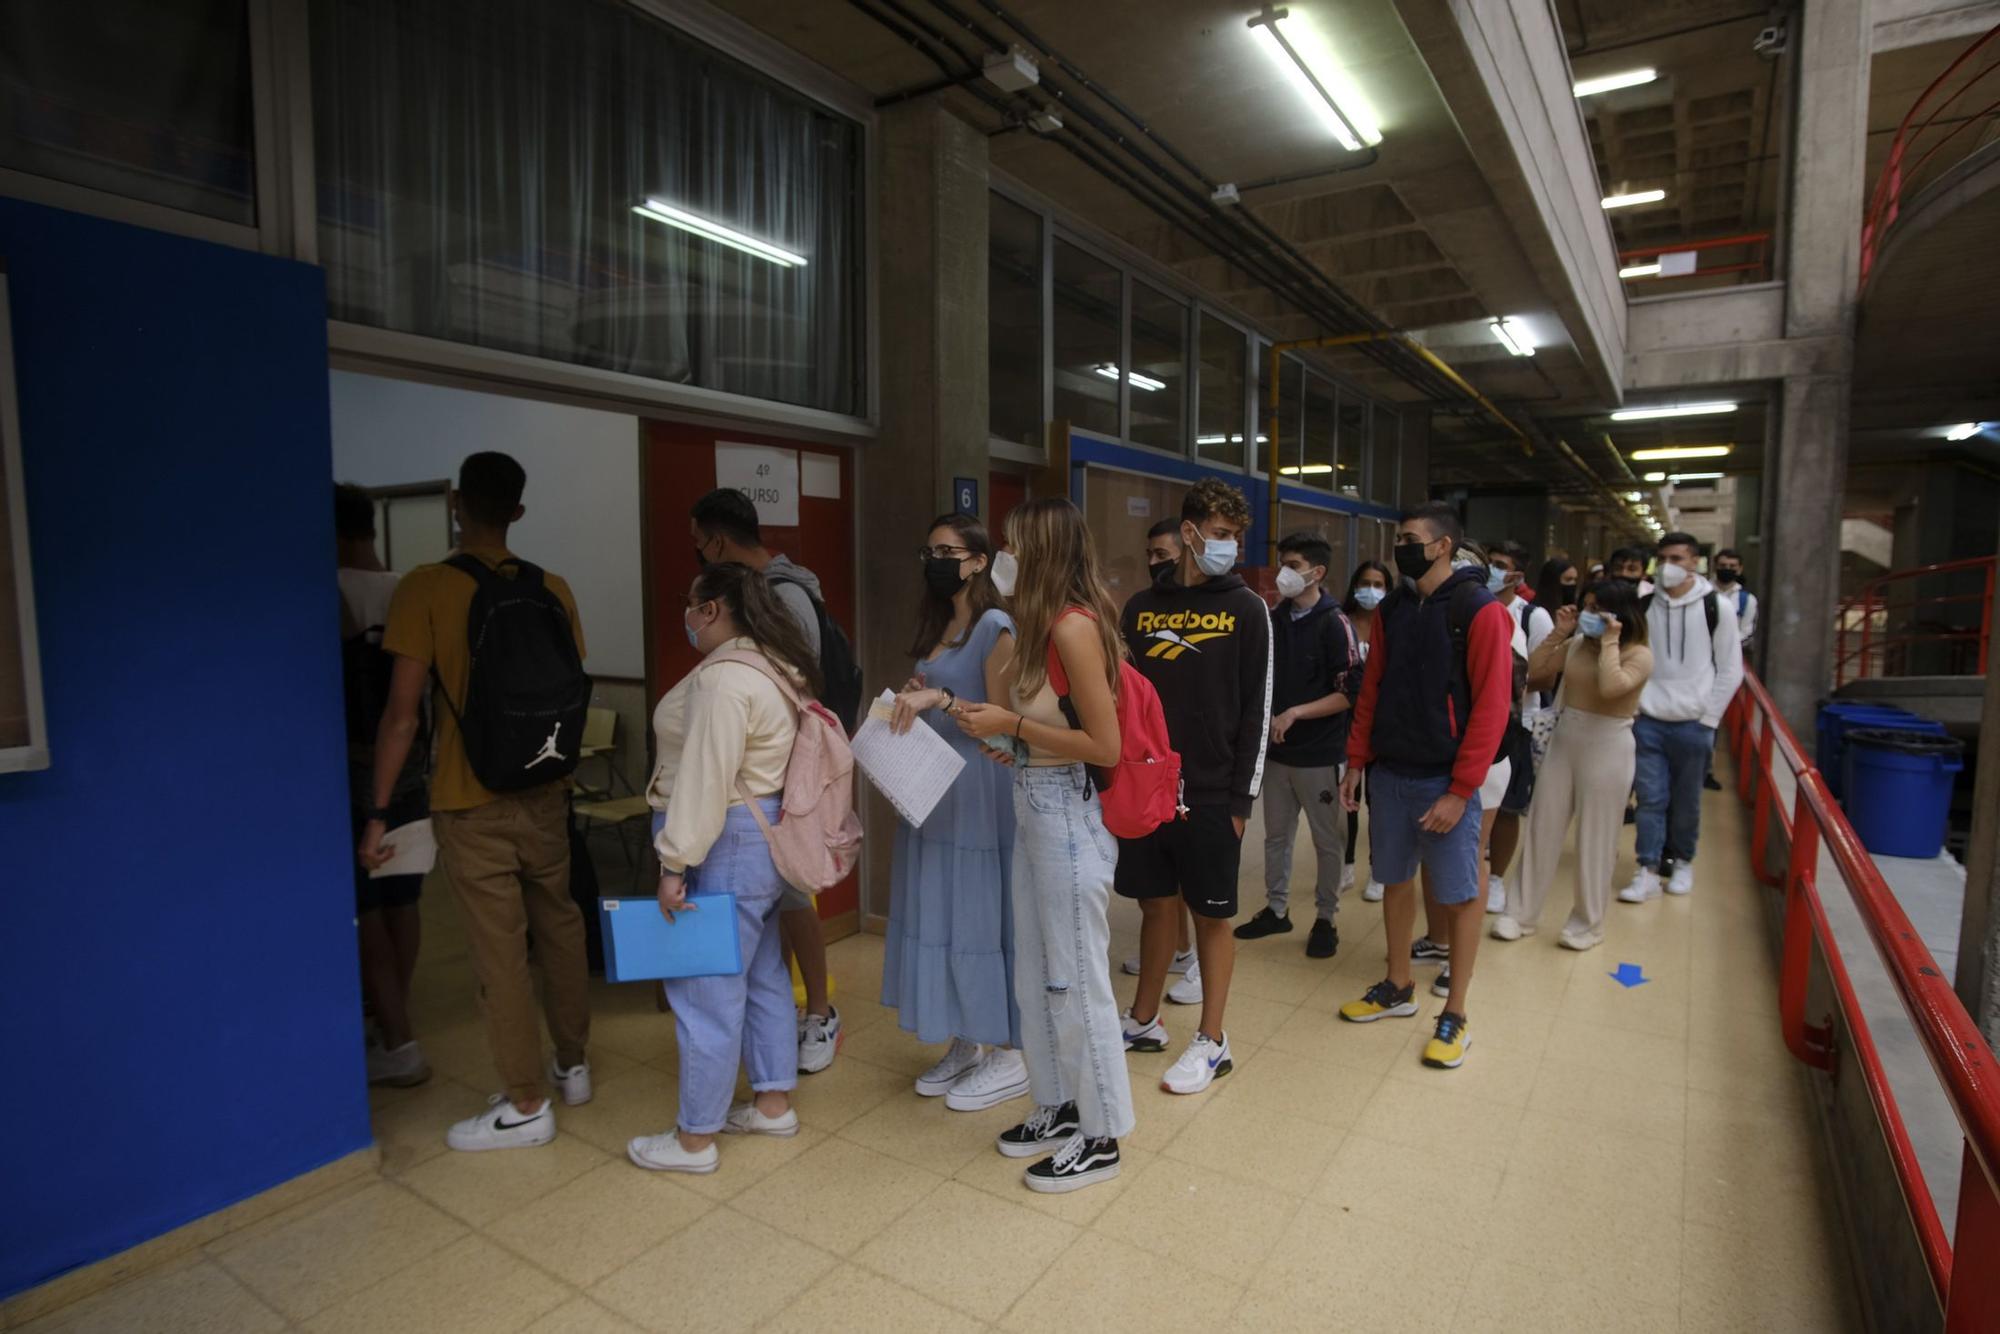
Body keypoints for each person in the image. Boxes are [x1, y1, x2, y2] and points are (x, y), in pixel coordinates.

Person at [360, 452, 593, 1151]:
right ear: (517, 512)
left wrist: (377, 811)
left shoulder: (425, 588)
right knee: (559, 924)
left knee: (499, 951)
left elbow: (404, 715)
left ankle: (525, 1101)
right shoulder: (553, 588)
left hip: (471, 797)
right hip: (546, 790)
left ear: (458, 502)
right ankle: (572, 1065)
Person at [953, 498, 1135, 1193]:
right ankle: (1058, 1104)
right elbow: (1028, 719)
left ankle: (1103, 1134)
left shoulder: (1073, 627)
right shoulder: (1031, 627)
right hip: (1032, 806)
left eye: (1012, 546)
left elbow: (1103, 744)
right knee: (1038, 975)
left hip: (1066, 820)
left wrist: (1016, 731)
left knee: (1079, 981)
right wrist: (1010, 741)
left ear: (1044, 554)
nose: (1003, 556)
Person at [627, 562, 821, 1173]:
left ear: (711, 609)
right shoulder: (775, 665)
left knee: (704, 991)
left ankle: (695, 1139)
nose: (686, 615)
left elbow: (706, 778)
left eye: (691, 603)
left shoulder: (724, 679)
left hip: (723, 840)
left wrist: (674, 861)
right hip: (763, 835)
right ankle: (771, 1101)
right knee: (762, 971)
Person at [1337, 503, 1513, 1070]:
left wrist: (1462, 790)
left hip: (1445, 780)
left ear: (1442, 547)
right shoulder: (1392, 608)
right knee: (1393, 881)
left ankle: (1456, 1011)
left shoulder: (1478, 611)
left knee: (1460, 896)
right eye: (1398, 538)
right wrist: (1357, 761)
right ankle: (1397, 985)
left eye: (1410, 539)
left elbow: (1491, 708)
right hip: (1390, 772)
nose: (1400, 547)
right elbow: (1372, 690)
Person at [1117, 478, 1272, 1095]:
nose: (1229, 547)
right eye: (1220, 534)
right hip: (1146, 789)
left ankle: (1212, 1040)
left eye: (1235, 537)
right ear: (1188, 534)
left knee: (1212, 917)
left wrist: (1241, 803)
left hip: (1210, 794)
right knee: (1155, 905)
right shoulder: (1139, 608)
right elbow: (1123, 702)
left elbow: (1258, 709)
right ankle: (1143, 1019)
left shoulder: (1247, 608)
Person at [690, 488, 839, 1074]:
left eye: (700, 543)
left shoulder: (784, 596)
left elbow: (799, 686)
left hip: (783, 781)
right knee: (779, 905)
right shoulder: (768, 590)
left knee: (795, 896)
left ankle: (821, 1012)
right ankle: (780, 1030)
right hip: (767, 784)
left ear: (719, 542)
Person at [881, 514, 1026, 1110]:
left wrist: (938, 697)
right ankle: (967, 1038)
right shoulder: (943, 623)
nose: (936, 559)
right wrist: (918, 693)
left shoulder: (995, 625)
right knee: (943, 912)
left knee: (978, 914)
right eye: (930, 549)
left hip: (977, 790)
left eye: (949, 550)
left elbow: (1004, 722)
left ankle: (1010, 1050)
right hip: (931, 786)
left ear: (978, 561)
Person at [1495, 580, 1653, 949]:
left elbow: (1612, 688)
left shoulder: (1640, 654)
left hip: (1609, 744)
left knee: (1595, 837)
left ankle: (1588, 923)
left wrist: (1611, 642)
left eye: (1598, 608)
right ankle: (1519, 913)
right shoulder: (1578, 643)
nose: (1589, 614)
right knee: (1541, 827)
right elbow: (1533, 672)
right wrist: (1559, 633)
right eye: (1587, 606)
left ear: (1620, 614)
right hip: (1566, 739)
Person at [336, 484, 429, 1088]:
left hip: (355, 761)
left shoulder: (328, 591)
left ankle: (394, 1036)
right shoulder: (407, 590)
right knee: (402, 897)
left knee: (365, 904)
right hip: (416, 758)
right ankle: (399, 1015)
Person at [1236, 532, 1363, 960]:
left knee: (1327, 840)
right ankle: (1276, 908)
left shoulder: (1334, 623)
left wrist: (1295, 713)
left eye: (1292, 564)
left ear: (1317, 572)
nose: (1283, 573)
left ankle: (1326, 918)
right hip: (1277, 754)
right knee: (1276, 836)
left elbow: (1348, 693)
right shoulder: (1275, 618)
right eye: (1282, 564)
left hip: (1319, 755)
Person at [1620, 532, 1744, 903]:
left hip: (1694, 723)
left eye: (1677, 558)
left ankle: (1684, 861)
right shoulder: (1644, 603)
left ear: (1694, 562)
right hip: (1649, 721)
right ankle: (1648, 868)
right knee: (1651, 798)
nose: (1668, 567)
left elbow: (1730, 668)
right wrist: (1637, 706)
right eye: (1663, 559)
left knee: (1687, 800)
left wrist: (1708, 718)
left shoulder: (1715, 607)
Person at [1119, 518, 1199, 1001]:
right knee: (1157, 880)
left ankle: (1194, 962)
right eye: (1149, 555)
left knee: (1193, 876)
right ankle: (1175, 950)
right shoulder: (1138, 608)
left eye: (1163, 555)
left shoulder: (1216, 610)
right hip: (1147, 762)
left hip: (1195, 764)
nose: (1155, 564)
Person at [1483, 540, 1550, 914]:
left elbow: (1544, 674)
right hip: (1476, 722)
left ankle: (1495, 880)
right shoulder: (1473, 605)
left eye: (1498, 564)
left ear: (1516, 576)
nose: (1490, 569)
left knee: (1508, 808)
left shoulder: (1533, 617)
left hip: (1515, 723)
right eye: (1488, 562)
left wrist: (1504, 682)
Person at [1342, 561, 1392, 904]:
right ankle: (1346, 863)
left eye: (1378, 584)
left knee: (1379, 803)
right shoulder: (1341, 623)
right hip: (1344, 726)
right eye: (1364, 582)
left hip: (1383, 729)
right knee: (1348, 801)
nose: (1371, 590)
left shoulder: (1392, 624)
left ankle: (1379, 868)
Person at [1707, 549, 1757, 790]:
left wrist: (1726, 643)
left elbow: (1747, 630)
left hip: (1725, 662)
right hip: (1700, 662)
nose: (1727, 568)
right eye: (1723, 564)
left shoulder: (1746, 600)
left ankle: (1706, 769)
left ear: (1740, 569)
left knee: (1713, 716)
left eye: (1732, 565)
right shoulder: (1702, 593)